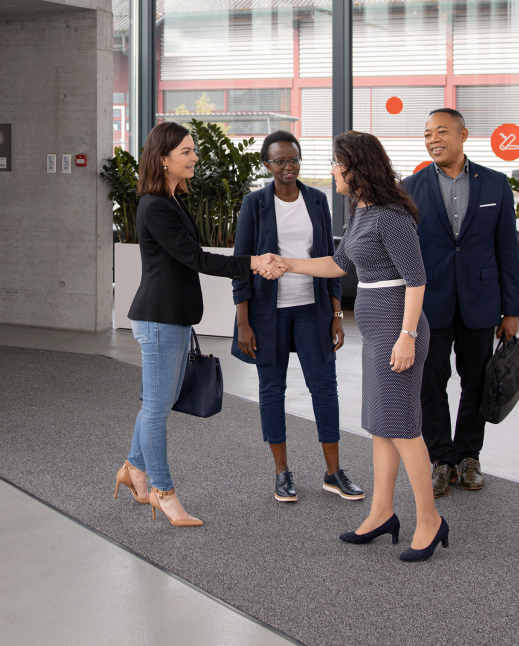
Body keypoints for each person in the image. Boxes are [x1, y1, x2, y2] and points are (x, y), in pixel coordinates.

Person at [272, 131, 449, 562]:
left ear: (355, 167)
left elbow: (416, 279)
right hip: (377, 333)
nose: (332, 171)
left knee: (404, 428)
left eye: (336, 163)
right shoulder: (361, 213)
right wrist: (288, 263)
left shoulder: (390, 216)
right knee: (381, 426)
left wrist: (407, 336)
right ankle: (381, 513)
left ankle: (430, 520)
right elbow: (339, 264)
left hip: (396, 331)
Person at [114, 121, 282, 528]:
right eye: (186, 152)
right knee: (157, 408)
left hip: (170, 316)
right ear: (163, 159)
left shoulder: (171, 200)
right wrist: (253, 263)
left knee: (159, 401)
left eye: (193, 150)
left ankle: (133, 469)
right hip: (158, 319)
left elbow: (192, 256)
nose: (193, 157)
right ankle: (164, 492)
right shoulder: (155, 205)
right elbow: (198, 258)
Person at [231, 131, 363, 504]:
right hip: (265, 314)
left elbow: (332, 260)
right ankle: (281, 473)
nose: (288, 167)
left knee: (325, 388)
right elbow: (242, 265)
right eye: (279, 161)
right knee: (272, 391)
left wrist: (337, 314)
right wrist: (243, 322)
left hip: (312, 310)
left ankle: (334, 472)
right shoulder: (254, 204)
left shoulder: (317, 200)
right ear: (266, 165)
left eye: (294, 160)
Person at [402, 108, 519, 498]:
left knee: (477, 382)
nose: (433, 139)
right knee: (430, 384)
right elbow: (403, 255)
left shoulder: (496, 185)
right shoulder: (409, 188)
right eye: (426, 134)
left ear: (463, 134)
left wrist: (512, 310)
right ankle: (442, 459)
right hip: (429, 303)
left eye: (440, 132)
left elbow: (507, 251)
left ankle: (469, 455)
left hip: (480, 302)